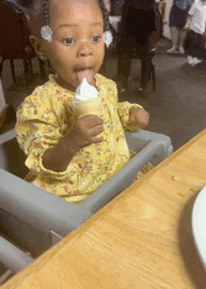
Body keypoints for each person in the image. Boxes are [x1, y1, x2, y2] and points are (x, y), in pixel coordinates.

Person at [15, 0, 150, 204]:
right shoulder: (39, 106)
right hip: (77, 197)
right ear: (41, 48)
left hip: (117, 177)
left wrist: (131, 112)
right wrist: (71, 142)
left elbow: (111, 112)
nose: (86, 50)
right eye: (69, 40)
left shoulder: (105, 85)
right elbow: (46, 164)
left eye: (96, 38)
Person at [116, 0, 157, 95]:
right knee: (145, 54)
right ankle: (144, 85)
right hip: (145, 17)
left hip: (131, 16)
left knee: (125, 53)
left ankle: (123, 83)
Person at [184, 0, 206, 66]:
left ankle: (194, 58)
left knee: (198, 43)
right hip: (194, 27)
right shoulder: (196, 3)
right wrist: (187, 24)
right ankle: (190, 57)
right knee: (193, 43)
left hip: (201, 29)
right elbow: (190, 15)